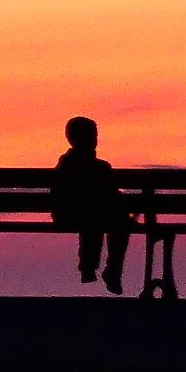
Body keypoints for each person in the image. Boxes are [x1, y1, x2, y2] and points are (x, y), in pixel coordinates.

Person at [53, 116, 130, 294]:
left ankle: (92, 268)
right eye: (92, 136)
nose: (95, 140)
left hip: (73, 215)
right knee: (105, 220)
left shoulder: (65, 163)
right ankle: (109, 269)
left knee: (104, 219)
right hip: (79, 216)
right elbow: (111, 196)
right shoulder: (98, 167)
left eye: (94, 135)